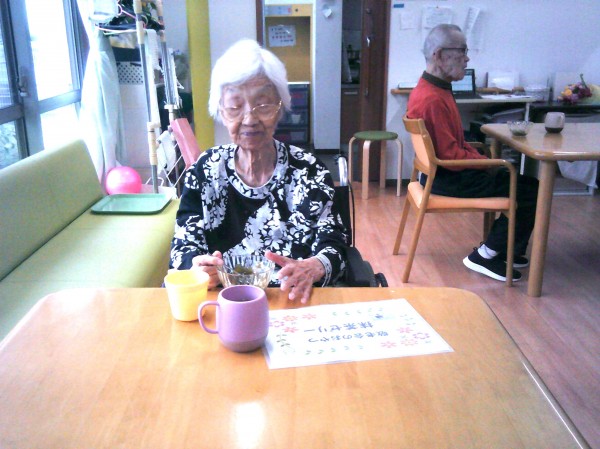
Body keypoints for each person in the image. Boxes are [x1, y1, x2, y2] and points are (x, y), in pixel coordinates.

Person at [169, 39, 348, 303]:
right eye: (235, 106)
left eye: (263, 105)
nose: (250, 119)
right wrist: (196, 268)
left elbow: (335, 244)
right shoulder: (204, 171)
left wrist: (315, 266)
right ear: (221, 111)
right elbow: (182, 248)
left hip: (294, 301)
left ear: (280, 108)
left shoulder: (309, 171)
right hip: (222, 306)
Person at [407, 24, 539, 282]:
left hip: (441, 174)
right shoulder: (432, 99)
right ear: (439, 55)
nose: (467, 59)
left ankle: (508, 249)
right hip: (449, 178)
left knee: (519, 181)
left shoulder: (434, 89)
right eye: (462, 51)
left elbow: (456, 145)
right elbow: (451, 157)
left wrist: (484, 160)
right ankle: (486, 255)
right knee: (528, 189)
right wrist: (488, 163)